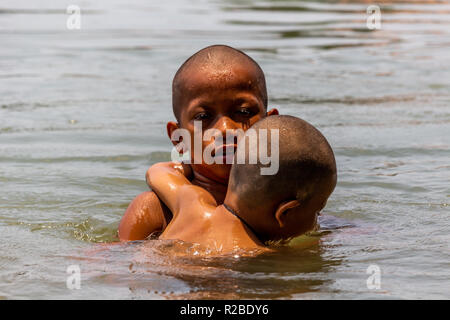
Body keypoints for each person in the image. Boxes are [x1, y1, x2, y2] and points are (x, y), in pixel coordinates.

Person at [118, 45, 278, 240]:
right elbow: (119, 265)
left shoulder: (286, 205)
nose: (226, 129)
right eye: (203, 116)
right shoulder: (155, 211)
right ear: (178, 138)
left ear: (270, 126)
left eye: (243, 112)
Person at [146, 115, 337, 254]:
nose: (316, 220)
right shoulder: (258, 256)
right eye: (317, 211)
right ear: (284, 212)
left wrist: (186, 168)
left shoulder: (193, 206)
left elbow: (158, 171)